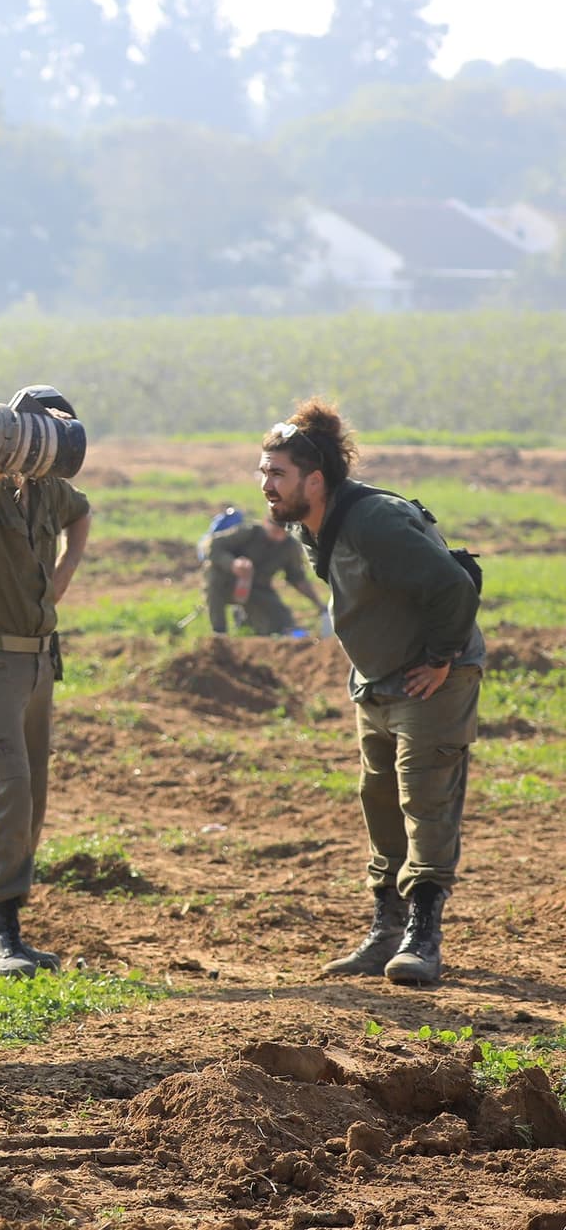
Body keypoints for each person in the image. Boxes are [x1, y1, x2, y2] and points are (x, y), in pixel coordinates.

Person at [258, 399, 484, 985]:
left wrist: (440, 658)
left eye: (277, 473)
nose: (265, 485)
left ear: (314, 479)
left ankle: (422, 937)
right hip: (378, 679)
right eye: (263, 472)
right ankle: (387, 930)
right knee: (378, 799)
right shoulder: (311, 525)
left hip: (430, 677)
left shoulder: (373, 520)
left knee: (425, 801)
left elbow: (454, 587)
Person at [0, 385, 91, 978]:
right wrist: (4, 431)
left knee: (30, 801)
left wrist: (62, 576)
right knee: (9, 789)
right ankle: (0, 932)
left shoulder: (49, 490)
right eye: (46, 437)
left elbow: (81, 511)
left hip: (38, 663)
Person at [204, 514, 328, 636]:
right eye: (274, 531)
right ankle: (219, 633)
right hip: (226, 581)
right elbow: (214, 545)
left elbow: (297, 577)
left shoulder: (289, 547)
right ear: (265, 523)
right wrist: (232, 564)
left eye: (282, 532)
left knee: (283, 620)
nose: (278, 536)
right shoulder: (250, 532)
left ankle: (252, 625)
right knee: (214, 578)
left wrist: (318, 603)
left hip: (257, 587)